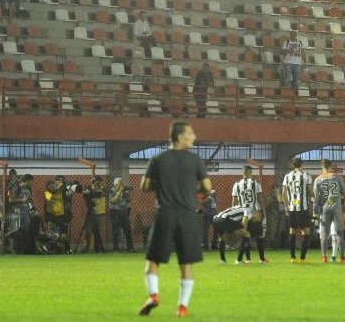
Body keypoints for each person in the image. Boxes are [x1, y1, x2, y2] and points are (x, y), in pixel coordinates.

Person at [139, 120, 212, 318]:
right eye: (191, 133)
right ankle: (182, 308)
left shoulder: (158, 159)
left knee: (153, 261)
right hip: (188, 216)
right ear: (179, 137)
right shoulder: (195, 160)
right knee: (186, 263)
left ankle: (153, 296)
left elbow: (144, 186)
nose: (194, 137)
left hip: (165, 214)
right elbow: (207, 187)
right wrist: (191, 189)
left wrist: (163, 185)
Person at [230, 166, 265, 264]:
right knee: (259, 237)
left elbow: (234, 202)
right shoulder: (256, 184)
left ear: (243, 173)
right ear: (250, 173)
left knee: (245, 237)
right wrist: (263, 212)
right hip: (254, 213)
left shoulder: (236, 185)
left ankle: (243, 259)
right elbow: (260, 199)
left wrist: (234, 215)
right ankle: (262, 259)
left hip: (243, 215)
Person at [313, 159, 345, 263]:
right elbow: (343, 191)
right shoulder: (337, 177)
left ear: (322, 166)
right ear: (330, 166)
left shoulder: (317, 179)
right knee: (340, 233)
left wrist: (315, 211)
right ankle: (342, 258)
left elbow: (316, 198)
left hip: (325, 208)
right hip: (336, 207)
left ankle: (324, 257)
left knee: (324, 234)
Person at [281, 157, 313, 263]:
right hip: (302, 208)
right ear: (302, 165)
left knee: (292, 231)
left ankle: (292, 257)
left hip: (291, 208)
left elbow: (284, 193)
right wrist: (314, 198)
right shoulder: (306, 176)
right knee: (306, 231)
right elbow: (309, 192)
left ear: (293, 165)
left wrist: (286, 206)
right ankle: (302, 258)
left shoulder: (287, 176)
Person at [109, 177, 133, 252]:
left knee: (128, 230)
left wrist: (127, 192)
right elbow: (113, 200)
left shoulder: (124, 191)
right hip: (115, 212)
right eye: (120, 183)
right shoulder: (111, 191)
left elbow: (129, 200)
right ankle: (115, 248)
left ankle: (130, 248)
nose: (122, 185)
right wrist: (119, 192)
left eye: (122, 183)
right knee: (115, 231)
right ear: (116, 185)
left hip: (124, 212)